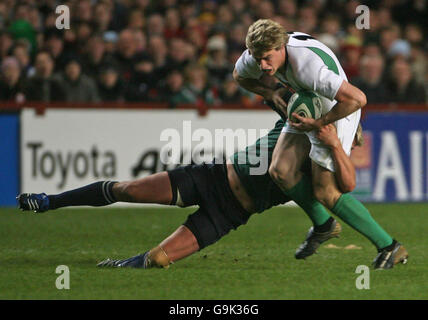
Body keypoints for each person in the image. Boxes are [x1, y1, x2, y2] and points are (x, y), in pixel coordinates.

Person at [17, 110, 407, 270]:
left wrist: (338, 148)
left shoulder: (322, 168)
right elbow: (273, 85)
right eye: (346, 135)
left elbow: (342, 190)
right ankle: (49, 201)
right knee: (128, 189)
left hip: (229, 216)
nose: (348, 140)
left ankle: (118, 268)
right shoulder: (296, 119)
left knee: (156, 261)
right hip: (212, 177)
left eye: (350, 138)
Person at [232, 19, 406, 266]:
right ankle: (324, 225)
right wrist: (269, 92)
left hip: (338, 109)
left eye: (267, 58)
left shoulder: (306, 66)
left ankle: (390, 246)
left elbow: (358, 98)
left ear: (282, 47)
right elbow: (239, 75)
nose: (262, 65)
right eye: (257, 58)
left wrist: (320, 123)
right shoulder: (259, 54)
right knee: (280, 171)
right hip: (308, 103)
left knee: (326, 191)